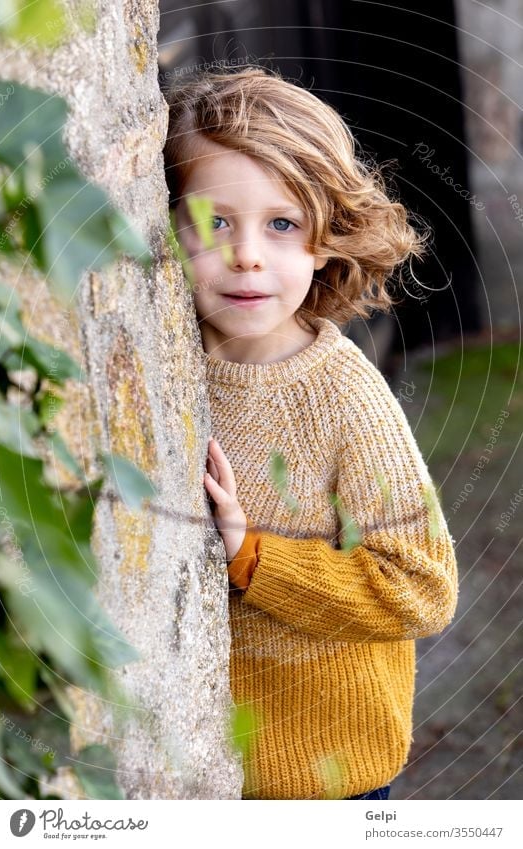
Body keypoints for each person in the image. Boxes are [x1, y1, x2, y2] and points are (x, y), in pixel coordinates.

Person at [163, 66, 458, 800]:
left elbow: (421, 590)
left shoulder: (342, 397)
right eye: (213, 221)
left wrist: (252, 556)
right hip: (208, 768)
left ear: (325, 237)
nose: (247, 255)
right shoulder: (165, 356)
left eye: (281, 223)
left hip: (327, 777)